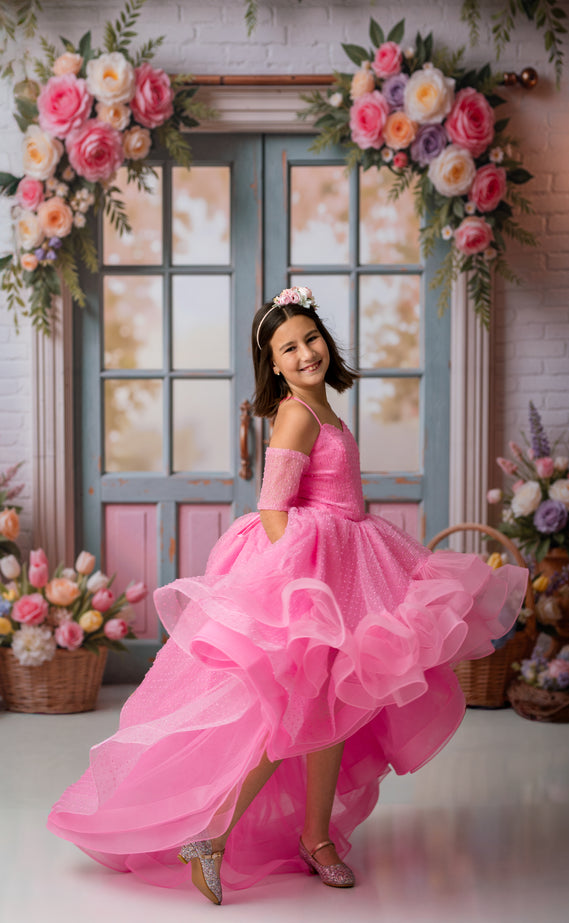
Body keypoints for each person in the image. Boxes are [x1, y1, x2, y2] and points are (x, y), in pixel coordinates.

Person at [48, 286, 528, 906]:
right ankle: (211, 832)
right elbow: (273, 508)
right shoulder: (297, 413)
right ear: (272, 364)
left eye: (311, 339)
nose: (305, 353)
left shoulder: (324, 406)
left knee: (339, 706)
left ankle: (314, 836)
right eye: (288, 348)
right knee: (298, 713)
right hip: (313, 568)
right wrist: (301, 588)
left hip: (354, 556)